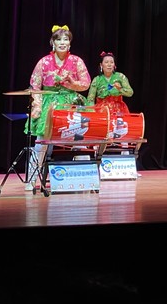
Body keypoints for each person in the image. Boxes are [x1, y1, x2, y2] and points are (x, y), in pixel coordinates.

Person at [25, 25, 91, 191]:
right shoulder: (44, 62)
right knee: (41, 142)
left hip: (71, 103)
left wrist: (73, 84)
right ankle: (32, 179)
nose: (62, 42)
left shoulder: (76, 61)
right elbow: (35, 86)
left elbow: (86, 83)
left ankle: (84, 178)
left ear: (70, 43)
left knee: (78, 140)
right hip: (49, 104)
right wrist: (37, 106)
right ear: (52, 42)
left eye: (66, 39)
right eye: (59, 39)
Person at [87, 51, 134, 115]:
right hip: (101, 110)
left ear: (114, 65)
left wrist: (120, 89)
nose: (109, 64)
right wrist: (92, 112)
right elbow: (90, 99)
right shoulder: (97, 79)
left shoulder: (120, 76)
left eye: (112, 62)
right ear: (101, 65)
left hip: (119, 110)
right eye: (106, 62)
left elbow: (130, 92)